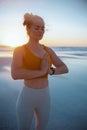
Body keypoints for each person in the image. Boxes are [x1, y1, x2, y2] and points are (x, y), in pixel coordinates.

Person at [11, 12, 68, 130]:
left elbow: (64, 68)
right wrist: (41, 72)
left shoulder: (48, 50)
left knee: (42, 128)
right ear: (28, 29)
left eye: (43, 28)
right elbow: (15, 74)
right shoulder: (20, 50)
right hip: (27, 96)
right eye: (37, 27)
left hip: (45, 96)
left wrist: (50, 71)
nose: (40, 31)